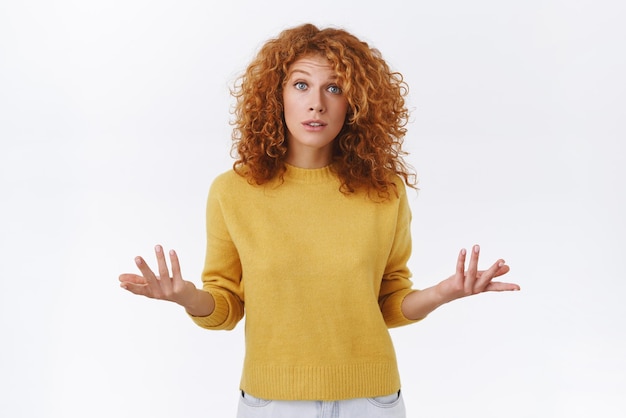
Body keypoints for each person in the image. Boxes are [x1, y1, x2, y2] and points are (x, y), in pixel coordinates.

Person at [119, 23, 520, 418]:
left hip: (372, 401)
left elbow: (388, 302)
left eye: (334, 88)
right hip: (272, 402)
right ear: (275, 95)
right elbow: (226, 304)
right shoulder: (233, 192)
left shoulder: (385, 191)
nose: (317, 104)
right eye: (301, 85)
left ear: (355, 102)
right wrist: (185, 295)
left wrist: (443, 293)